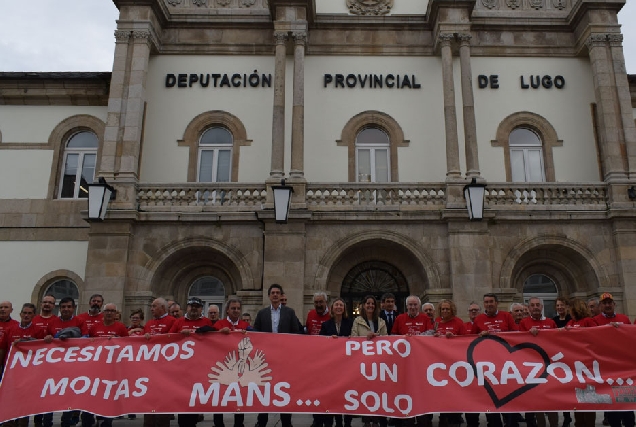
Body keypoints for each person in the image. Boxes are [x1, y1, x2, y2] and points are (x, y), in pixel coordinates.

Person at [253, 284, 301, 427]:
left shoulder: (289, 312)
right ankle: (262, 421)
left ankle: (286, 421)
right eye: (272, 293)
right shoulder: (262, 313)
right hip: (266, 359)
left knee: (284, 388)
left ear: (281, 296)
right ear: (269, 296)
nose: (275, 295)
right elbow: (256, 332)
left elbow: (296, 332)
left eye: (277, 293)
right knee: (265, 389)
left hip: (284, 359)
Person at [472, 293, 518, 427]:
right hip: (488, 365)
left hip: (506, 364)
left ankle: (511, 423)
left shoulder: (507, 316)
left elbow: (516, 334)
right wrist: (480, 336)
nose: (489, 304)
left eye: (491, 301)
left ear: (496, 303)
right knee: (491, 397)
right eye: (486, 302)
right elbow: (470, 339)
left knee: (509, 396)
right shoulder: (479, 319)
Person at [0, 303, 46, 427]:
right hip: (10, 370)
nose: (26, 315)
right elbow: (3, 349)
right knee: (8, 401)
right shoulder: (11, 329)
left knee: (24, 403)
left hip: (28, 372)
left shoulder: (38, 330)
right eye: (24, 313)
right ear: (20, 314)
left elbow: (42, 350)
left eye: (29, 313)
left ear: (34, 316)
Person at [591, 293, 634, 427]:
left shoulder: (624, 319)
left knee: (626, 400)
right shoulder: (594, 321)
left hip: (624, 367)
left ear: (614, 304)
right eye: (605, 303)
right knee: (612, 402)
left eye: (610, 303)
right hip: (607, 367)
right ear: (600, 306)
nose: (608, 305)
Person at [85, 303, 128, 427]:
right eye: (107, 311)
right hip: (95, 368)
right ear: (103, 313)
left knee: (107, 398)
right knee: (92, 396)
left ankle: (105, 421)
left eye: (112, 311)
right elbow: (88, 344)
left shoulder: (120, 328)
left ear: (115, 314)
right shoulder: (94, 327)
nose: (109, 313)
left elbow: (128, 346)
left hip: (112, 370)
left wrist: (117, 340)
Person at [213, 297, 252, 427]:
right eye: (233, 308)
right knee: (220, 395)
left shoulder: (245, 326)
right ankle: (218, 423)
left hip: (240, 367)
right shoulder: (219, 324)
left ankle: (239, 424)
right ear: (227, 310)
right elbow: (211, 340)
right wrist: (219, 333)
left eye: (238, 308)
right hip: (223, 366)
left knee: (239, 395)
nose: (236, 311)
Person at [519, 297, 558, 427]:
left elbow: (558, 340)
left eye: (538, 305)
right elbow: (518, 342)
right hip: (533, 368)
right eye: (532, 305)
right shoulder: (524, 323)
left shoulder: (551, 322)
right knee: (538, 402)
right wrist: (527, 334)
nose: (535, 307)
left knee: (552, 402)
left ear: (542, 307)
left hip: (549, 367)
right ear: (529, 308)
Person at [352, 295, 388, 427]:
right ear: (363, 305)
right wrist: (364, 338)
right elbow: (353, 337)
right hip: (364, 361)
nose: (370, 306)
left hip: (379, 362)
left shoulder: (381, 322)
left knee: (378, 391)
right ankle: (367, 419)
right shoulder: (357, 321)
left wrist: (378, 337)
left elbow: (387, 339)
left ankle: (376, 418)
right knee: (365, 390)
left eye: (373, 304)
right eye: (368, 303)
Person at [320, 298, 354, 427]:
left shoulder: (350, 323)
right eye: (336, 305)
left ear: (344, 308)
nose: (339, 307)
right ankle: (335, 421)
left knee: (348, 394)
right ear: (332, 308)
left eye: (341, 305)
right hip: (332, 367)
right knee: (334, 395)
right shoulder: (326, 325)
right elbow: (320, 343)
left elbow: (356, 338)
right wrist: (329, 340)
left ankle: (347, 422)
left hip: (347, 366)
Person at [143, 298, 176, 427]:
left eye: (154, 306)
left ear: (163, 308)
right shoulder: (149, 323)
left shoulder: (173, 321)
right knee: (149, 398)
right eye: (151, 306)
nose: (151, 309)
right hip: (150, 367)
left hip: (165, 367)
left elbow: (172, 338)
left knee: (163, 400)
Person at [33, 295, 56, 427]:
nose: (47, 304)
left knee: (49, 393)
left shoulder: (56, 321)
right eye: (45, 302)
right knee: (37, 393)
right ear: (41, 304)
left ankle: (48, 421)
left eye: (50, 303)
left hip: (52, 363)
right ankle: (37, 420)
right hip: (36, 363)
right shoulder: (34, 320)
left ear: (53, 306)